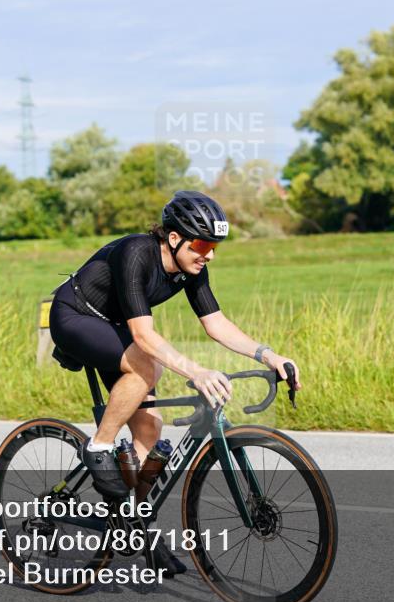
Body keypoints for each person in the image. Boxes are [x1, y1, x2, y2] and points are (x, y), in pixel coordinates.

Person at [47, 190, 302, 573]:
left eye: (214, 246)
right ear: (173, 238)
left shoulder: (192, 268)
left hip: (112, 326)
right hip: (75, 316)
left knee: (150, 427)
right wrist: (196, 371)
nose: (209, 254)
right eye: (201, 244)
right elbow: (144, 337)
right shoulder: (136, 253)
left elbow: (215, 323)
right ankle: (98, 446)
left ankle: (135, 526)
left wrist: (270, 355)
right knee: (150, 367)